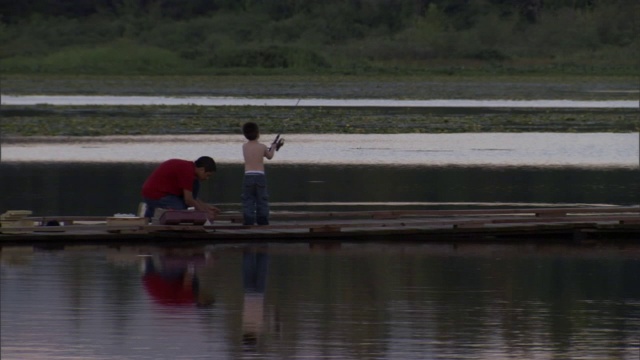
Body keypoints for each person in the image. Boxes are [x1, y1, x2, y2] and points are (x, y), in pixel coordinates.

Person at [141, 156, 220, 220]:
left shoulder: (190, 170)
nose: (207, 178)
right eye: (208, 175)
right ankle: (154, 213)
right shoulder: (187, 171)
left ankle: (149, 216)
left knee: (195, 184)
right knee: (181, 211)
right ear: (202, 170)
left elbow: (193, 198)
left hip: (159, 192)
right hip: (156, 194)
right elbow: (188, 200)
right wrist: (205, 213)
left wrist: (206, 207)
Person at [241, 122, 283, 225]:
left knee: (248, 200)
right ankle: (263, 221)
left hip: (248, 176)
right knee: (262, 200)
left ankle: (249, 221)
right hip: (260, 176)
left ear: (245, 134)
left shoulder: (244, 146)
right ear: (258, 133)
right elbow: (269, 156)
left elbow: (254, 153)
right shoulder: (262, 146)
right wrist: (273, 147)